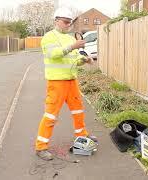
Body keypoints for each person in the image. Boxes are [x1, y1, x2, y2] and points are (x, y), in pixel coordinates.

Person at [35, 7, 97, 161]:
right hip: (56, 83)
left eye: (70, 23)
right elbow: (53, 54)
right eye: (65, 22)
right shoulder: (48, 37)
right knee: (51, 115)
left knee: (78, 111)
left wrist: (85, 60)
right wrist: (73, 47)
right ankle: (41, 147)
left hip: (71, 81)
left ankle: (82, 135)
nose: (68, 25)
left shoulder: (70, 39)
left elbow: (74, 60)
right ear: (56, 20)